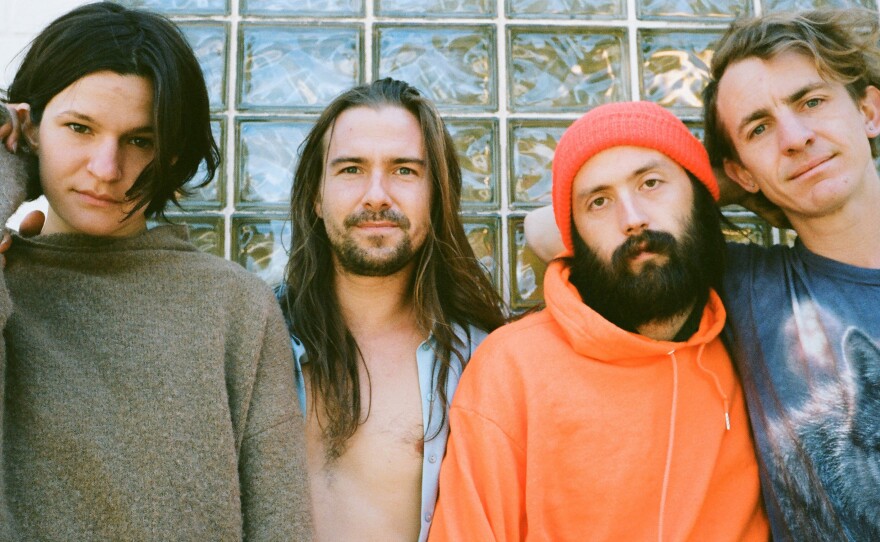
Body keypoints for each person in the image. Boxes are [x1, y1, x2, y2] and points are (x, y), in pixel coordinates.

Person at [0, 3, 312, 540]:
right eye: (79, 128)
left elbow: (280, 524)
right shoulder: (7, 289)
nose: (106, 169)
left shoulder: (232, 305)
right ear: (25, 128)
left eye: (139, 140)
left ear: (171, 155)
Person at [429, 101, 768, 541]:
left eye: (651, 183)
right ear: (575, 239)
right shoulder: (513, 368)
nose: (632, 220)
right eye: (599, 202)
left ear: (701, 197)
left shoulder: (757, 333)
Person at [276, 78, 507, 541]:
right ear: (316, 197)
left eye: (404, 170)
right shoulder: (252, 339)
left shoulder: (482, 363)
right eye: (351, 170)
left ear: (436, 195)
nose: (377, 194)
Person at [701, 9, 880, 540]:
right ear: (738, 172)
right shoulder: (748, 289)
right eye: (760, 128)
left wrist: (762, 159)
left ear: (870, 111)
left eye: (812, 102)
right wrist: (737, 177)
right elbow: (553, 232)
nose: (796, 137)